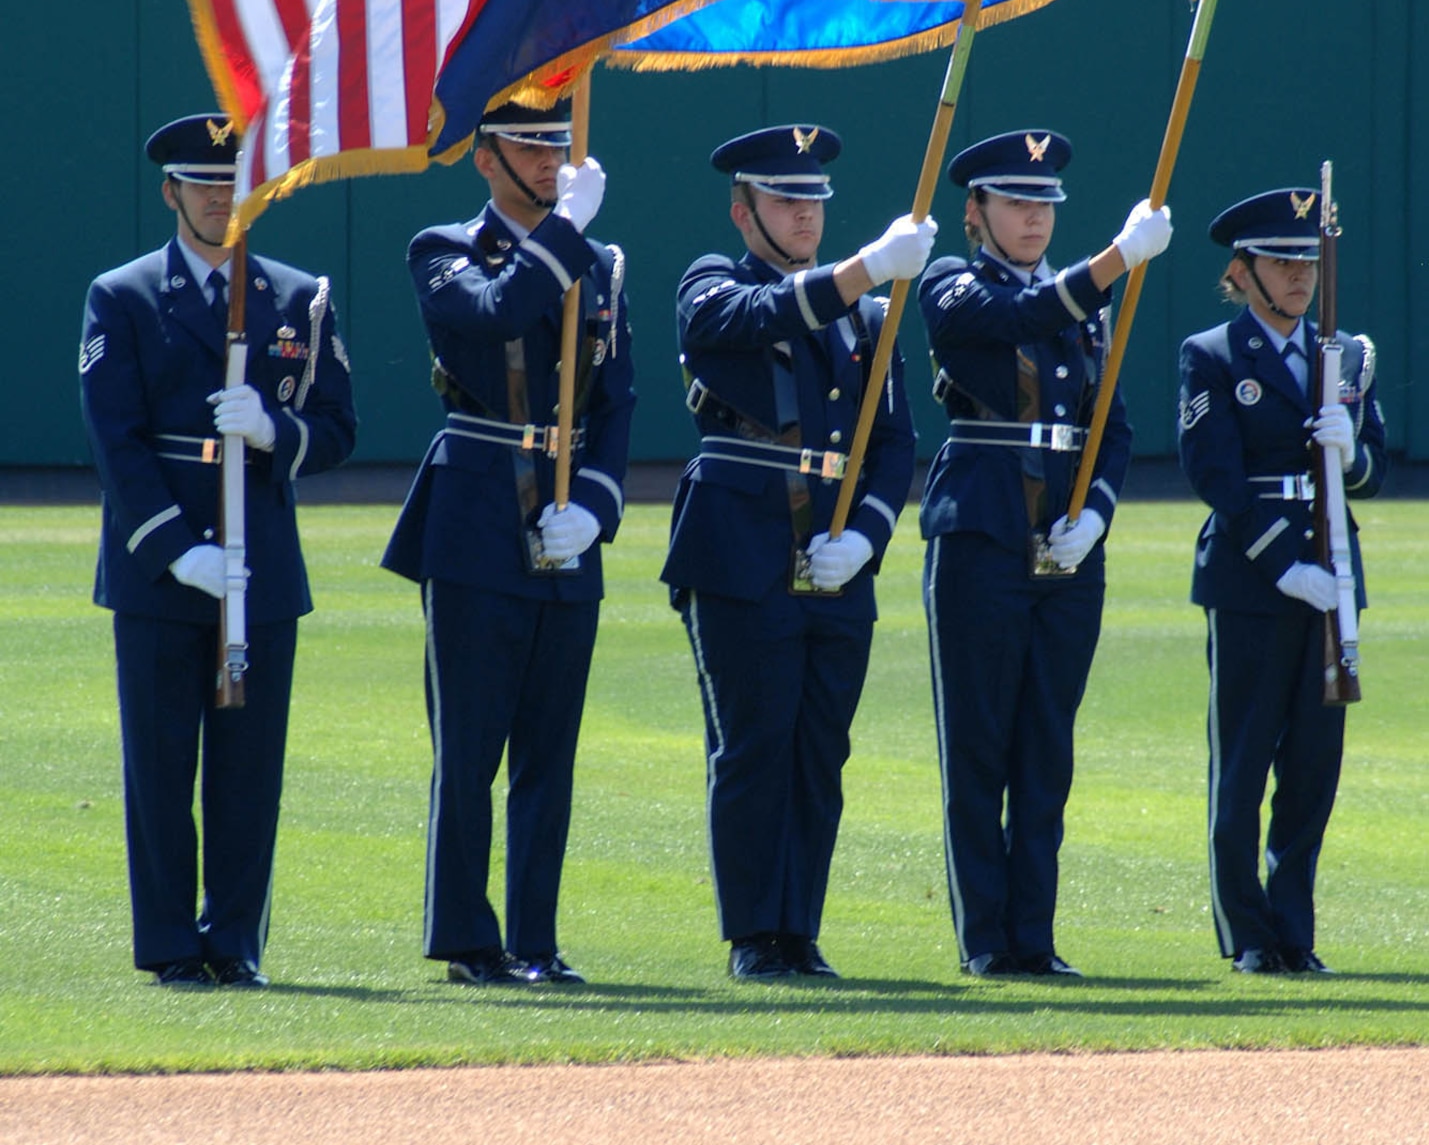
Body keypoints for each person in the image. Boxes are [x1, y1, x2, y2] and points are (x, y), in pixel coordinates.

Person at [79, 113, 357, 988]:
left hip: (261, 557)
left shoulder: (297, 296)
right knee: (161, 765)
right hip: (161, 563)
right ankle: (169, 945)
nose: (217, 198)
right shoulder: (121, 295)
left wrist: (276, 429)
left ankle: (234, 941)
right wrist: (172, 549)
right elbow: (115, 442)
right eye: (201, 183)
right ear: (171, 192)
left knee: (248, 770)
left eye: (232, 183)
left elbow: (341, 428)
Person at [662, 124, 930, 981]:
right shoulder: (711, 282)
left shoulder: (867, 315)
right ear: (744, 212)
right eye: (784, 199)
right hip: (740, 543)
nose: (805, 215)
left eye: (814, 200)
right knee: (753, 741)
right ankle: (751, 933)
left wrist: (868, 534)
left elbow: (891, 443)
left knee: (820, 749)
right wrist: (864, 270)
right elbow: (759, 315)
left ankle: (797, 929)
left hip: (836, 548)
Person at [383, 101, 634, 988]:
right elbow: (493, 315)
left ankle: (535, 938)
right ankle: (466, 939)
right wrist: (566, 230)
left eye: (557, 144)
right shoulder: (443, 249)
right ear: (484, 158)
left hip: (567, 525)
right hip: (478, 515)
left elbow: (615, 407)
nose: (548, 159)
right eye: (528, 145)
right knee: (470, 746)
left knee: (547, 751)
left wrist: (596, 508)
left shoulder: (600, 265)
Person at [917, 129, 1171, 979]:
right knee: (979, 741)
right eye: (1016, 203)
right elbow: (1016, 316)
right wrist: (1112, 259)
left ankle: (1035, 934)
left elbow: (1115, 426)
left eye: (1045, 205)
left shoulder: (1085, 303)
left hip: (1067, 545)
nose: (1034, 217)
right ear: (975, 213)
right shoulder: (952, 283)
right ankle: (985, 937)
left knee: (1044, 747)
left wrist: (1096, 512)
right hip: (983, 531)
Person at [1178, 188, 1385, 975]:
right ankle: (1248, 934)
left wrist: (1350, 452)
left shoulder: (1348, 355)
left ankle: (1293, 928)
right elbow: (1214, 476)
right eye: (1278, 261)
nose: (1297, 276)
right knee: (1242, 759)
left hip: (1332, 575)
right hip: (1251, 578)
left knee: (1310, 765)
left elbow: (1373, 472)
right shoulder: (1214, 354)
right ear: (1242, 271)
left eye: (1305, 260)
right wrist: (1281, 565)